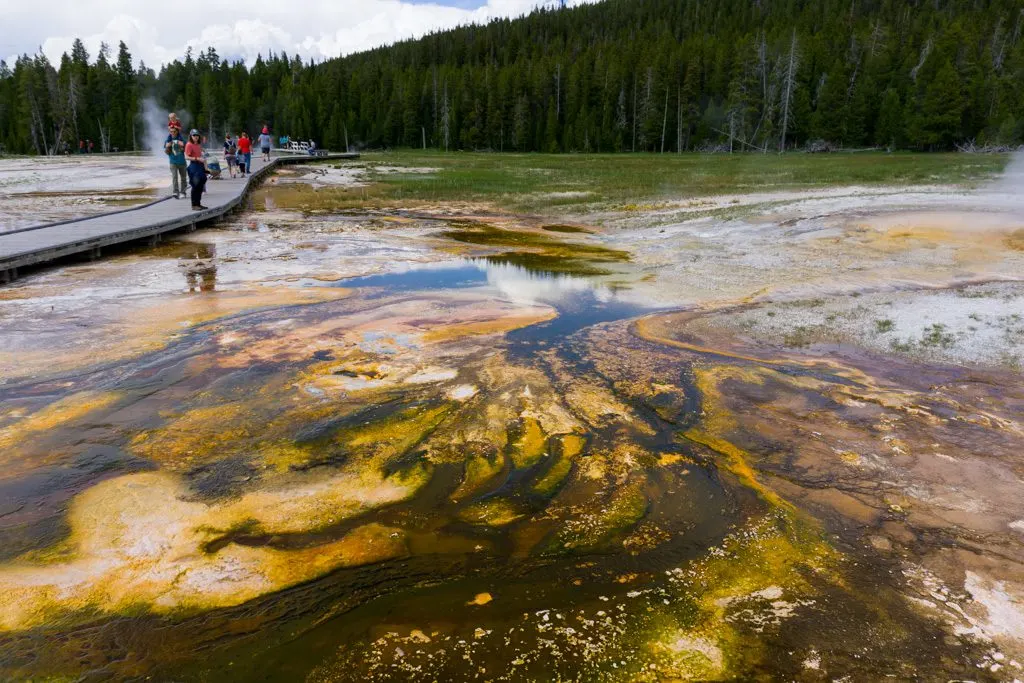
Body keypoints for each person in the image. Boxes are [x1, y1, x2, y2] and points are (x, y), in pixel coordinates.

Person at [184, 129, 208, 211]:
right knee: (195, 185)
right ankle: (194, 205)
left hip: (200, 165)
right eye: (194, 135)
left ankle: (198, 203)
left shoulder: (198, 144)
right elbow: (186, 157)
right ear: (190, 136)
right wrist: (197, 158)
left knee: (201, 183)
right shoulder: (189, 145)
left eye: (197, 135)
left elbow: (200, 154)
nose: (196, 137)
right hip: (193, 166)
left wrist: (205, 167)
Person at [165, 126, 187, 199]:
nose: (172, 133)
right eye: (171, 132)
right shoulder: (168, 139)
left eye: (174, 131)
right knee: (174, 177)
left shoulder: (181, 138)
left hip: (182, 162)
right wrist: (171, 143)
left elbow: (184, 144)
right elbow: (166, 145)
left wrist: (176, 141)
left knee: (183, 178)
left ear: (177, 132)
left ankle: (183, 192)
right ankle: (175, 192)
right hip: (173, 161)